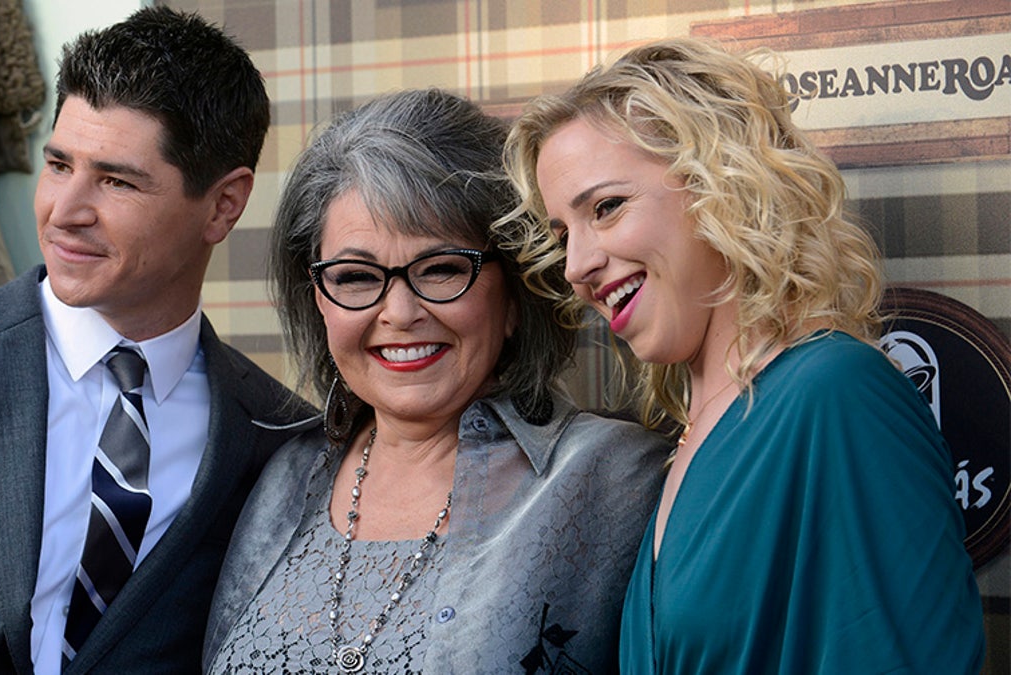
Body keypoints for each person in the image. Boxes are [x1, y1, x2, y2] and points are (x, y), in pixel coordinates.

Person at [0, 7, 312, 673]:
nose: (64, 212)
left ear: (224, 204)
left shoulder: (275, 434)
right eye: (58, 164)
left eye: (115, 180)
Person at [500, 36, 986, 674]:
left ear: (720, 187)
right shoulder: (690, 434)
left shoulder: (834, 394)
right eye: (564, 234)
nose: (577, 265)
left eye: (607, 208)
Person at [201, 88, 669, 673]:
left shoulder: (615, 477)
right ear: (317, 300)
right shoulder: (281, 477)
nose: (398, 313)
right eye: (354, 276)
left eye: (442, 268)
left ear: (516, 294)